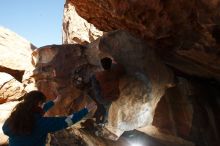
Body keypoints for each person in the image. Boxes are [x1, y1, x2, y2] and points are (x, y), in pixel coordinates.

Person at [2, 90, 96, 146]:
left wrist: (54, 102)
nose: (43, 106)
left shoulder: (16, 116)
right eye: (43, 103)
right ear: (38, 104)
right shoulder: (41, 124)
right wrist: (86, 109)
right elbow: (67, 121)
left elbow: (38, 110)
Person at [90, 57, 125, 125]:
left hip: (103, 98)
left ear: (102, 65)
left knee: (93, 80)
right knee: (107, 105)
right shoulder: (115, 73)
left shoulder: (99, 75)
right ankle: (104, 120)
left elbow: (94, 78)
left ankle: (100, 111)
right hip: (115, 96)